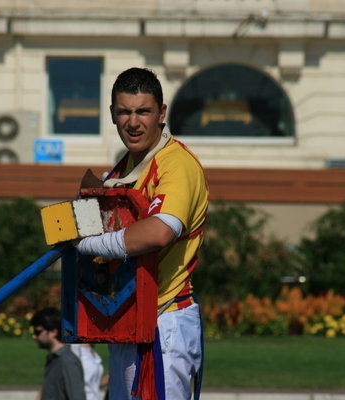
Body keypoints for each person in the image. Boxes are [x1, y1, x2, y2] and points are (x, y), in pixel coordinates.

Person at [75, 67, 209, 400]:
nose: (133, 122)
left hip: (163, 322)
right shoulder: (124, 168)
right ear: (112, 114)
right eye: (124, 112)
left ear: (161, 113)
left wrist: (89, 243)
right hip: (129, 321)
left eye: (143, 112)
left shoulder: (176, 163)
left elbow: (160, 231)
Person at [30, 307, 86, 400]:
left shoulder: (67, 362)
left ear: (53, 332)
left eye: (37, 332)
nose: (34, 336)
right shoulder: (54, 358)